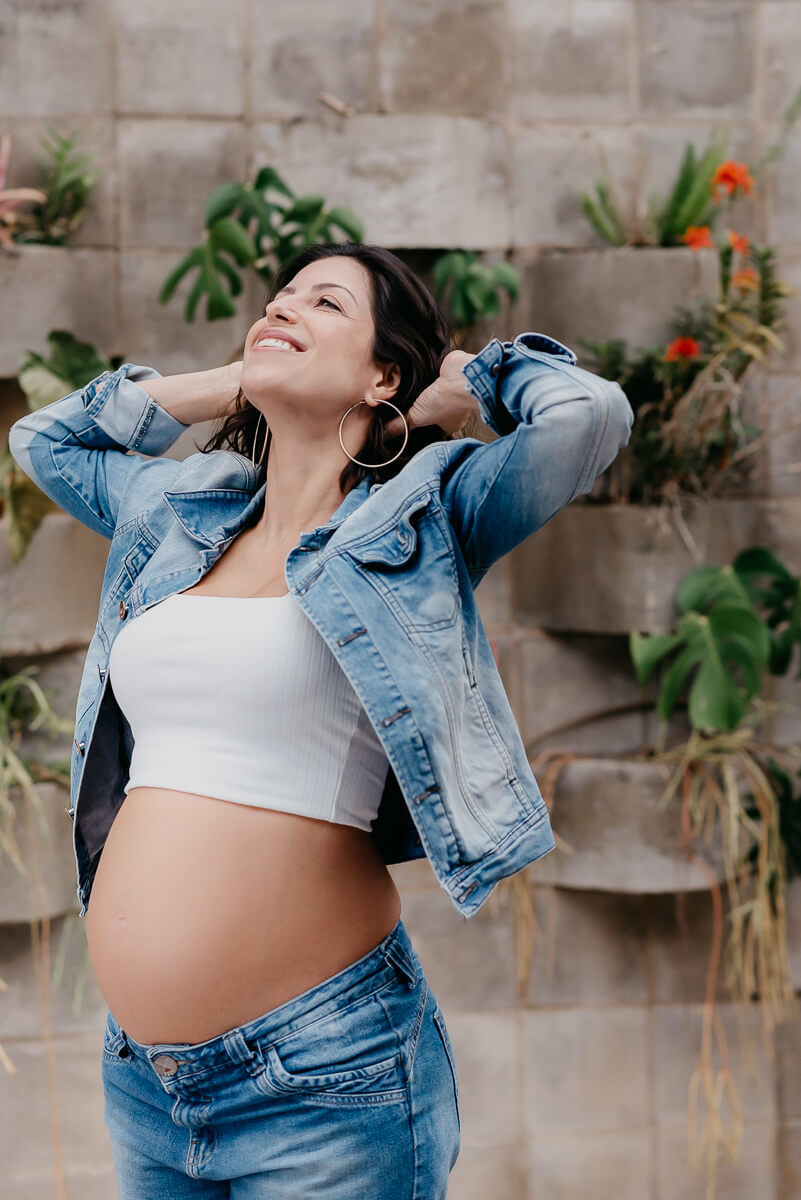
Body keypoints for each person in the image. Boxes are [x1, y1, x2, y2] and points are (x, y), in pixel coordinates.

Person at [8, 242, 633, 1198]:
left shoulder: (422, 518)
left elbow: (588, 417)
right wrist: (233, 381)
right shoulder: (174, 513)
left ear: (382, 375)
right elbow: (44, 441)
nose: (283, 308)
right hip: (147, 1082)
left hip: (325, 1078)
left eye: (325, 303)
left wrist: (459, 384)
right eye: (279, 298)